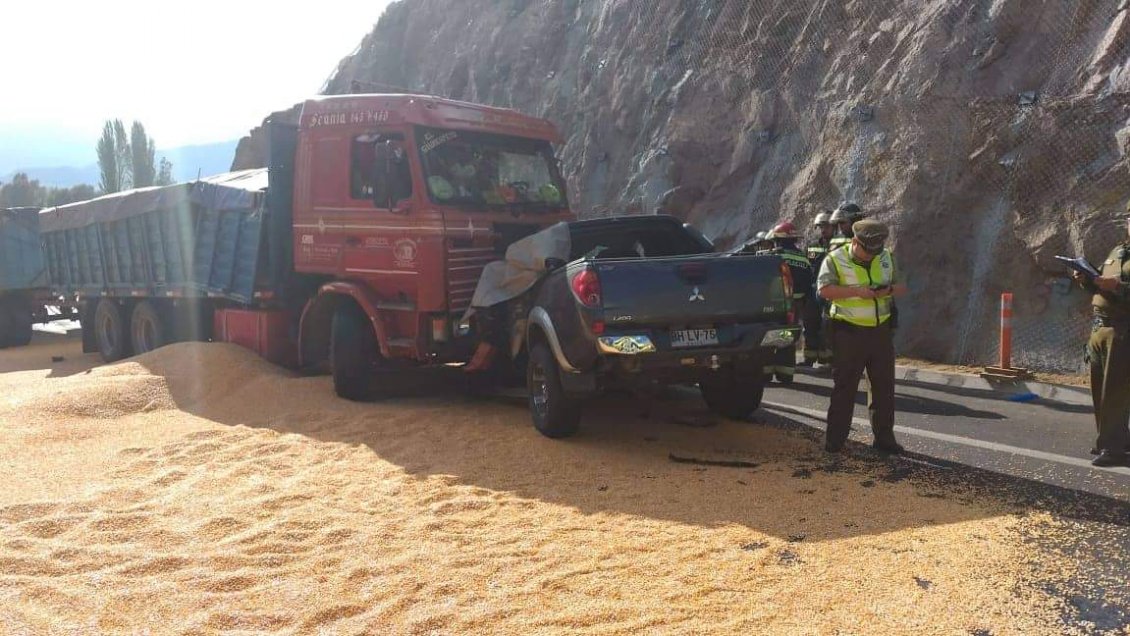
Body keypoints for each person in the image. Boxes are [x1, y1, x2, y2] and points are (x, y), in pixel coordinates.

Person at [818, 219, 908, 454]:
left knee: (883, 387)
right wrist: (856, 293)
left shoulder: (886, 256)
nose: (871, 255)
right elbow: (824, 290)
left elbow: (901, 287)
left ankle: (884, 439)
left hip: (880, 332)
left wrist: (886, 290)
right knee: (845, 388)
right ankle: (835, 441)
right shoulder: (835, 259)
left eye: (874, 251)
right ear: (855, 241)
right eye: (867, 250)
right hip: (848, 332)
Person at [1075, 210, 1130, 467]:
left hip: (1123, 330)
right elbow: (1103, 285)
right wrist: (1088, 280)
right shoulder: (1118, 251)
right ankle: (1110, 440)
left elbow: (1117, 287)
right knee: (1099, 388)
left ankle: (1114, 448)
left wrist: (1117, 287)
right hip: (1100, 327)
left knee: (1115, 391)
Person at [764, 221, 813, 384]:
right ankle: (785, 373)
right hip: (795, 305)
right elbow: (809, 282)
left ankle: (766, 372)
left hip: (775, 305)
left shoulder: (772, 257)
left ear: (778, 239)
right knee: (788, 336)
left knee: (769, 335)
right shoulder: (803, 258)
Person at [803, 211, 836, 366]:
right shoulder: (813, 247)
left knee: (827, 325)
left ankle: (827, 358)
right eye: (821, 226)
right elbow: (807, 268)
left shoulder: (840, 245)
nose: (824, 229)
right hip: (814, 290)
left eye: (827, 226)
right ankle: (809, 357)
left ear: (834, 226)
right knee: (810, 322)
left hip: (832, 290)